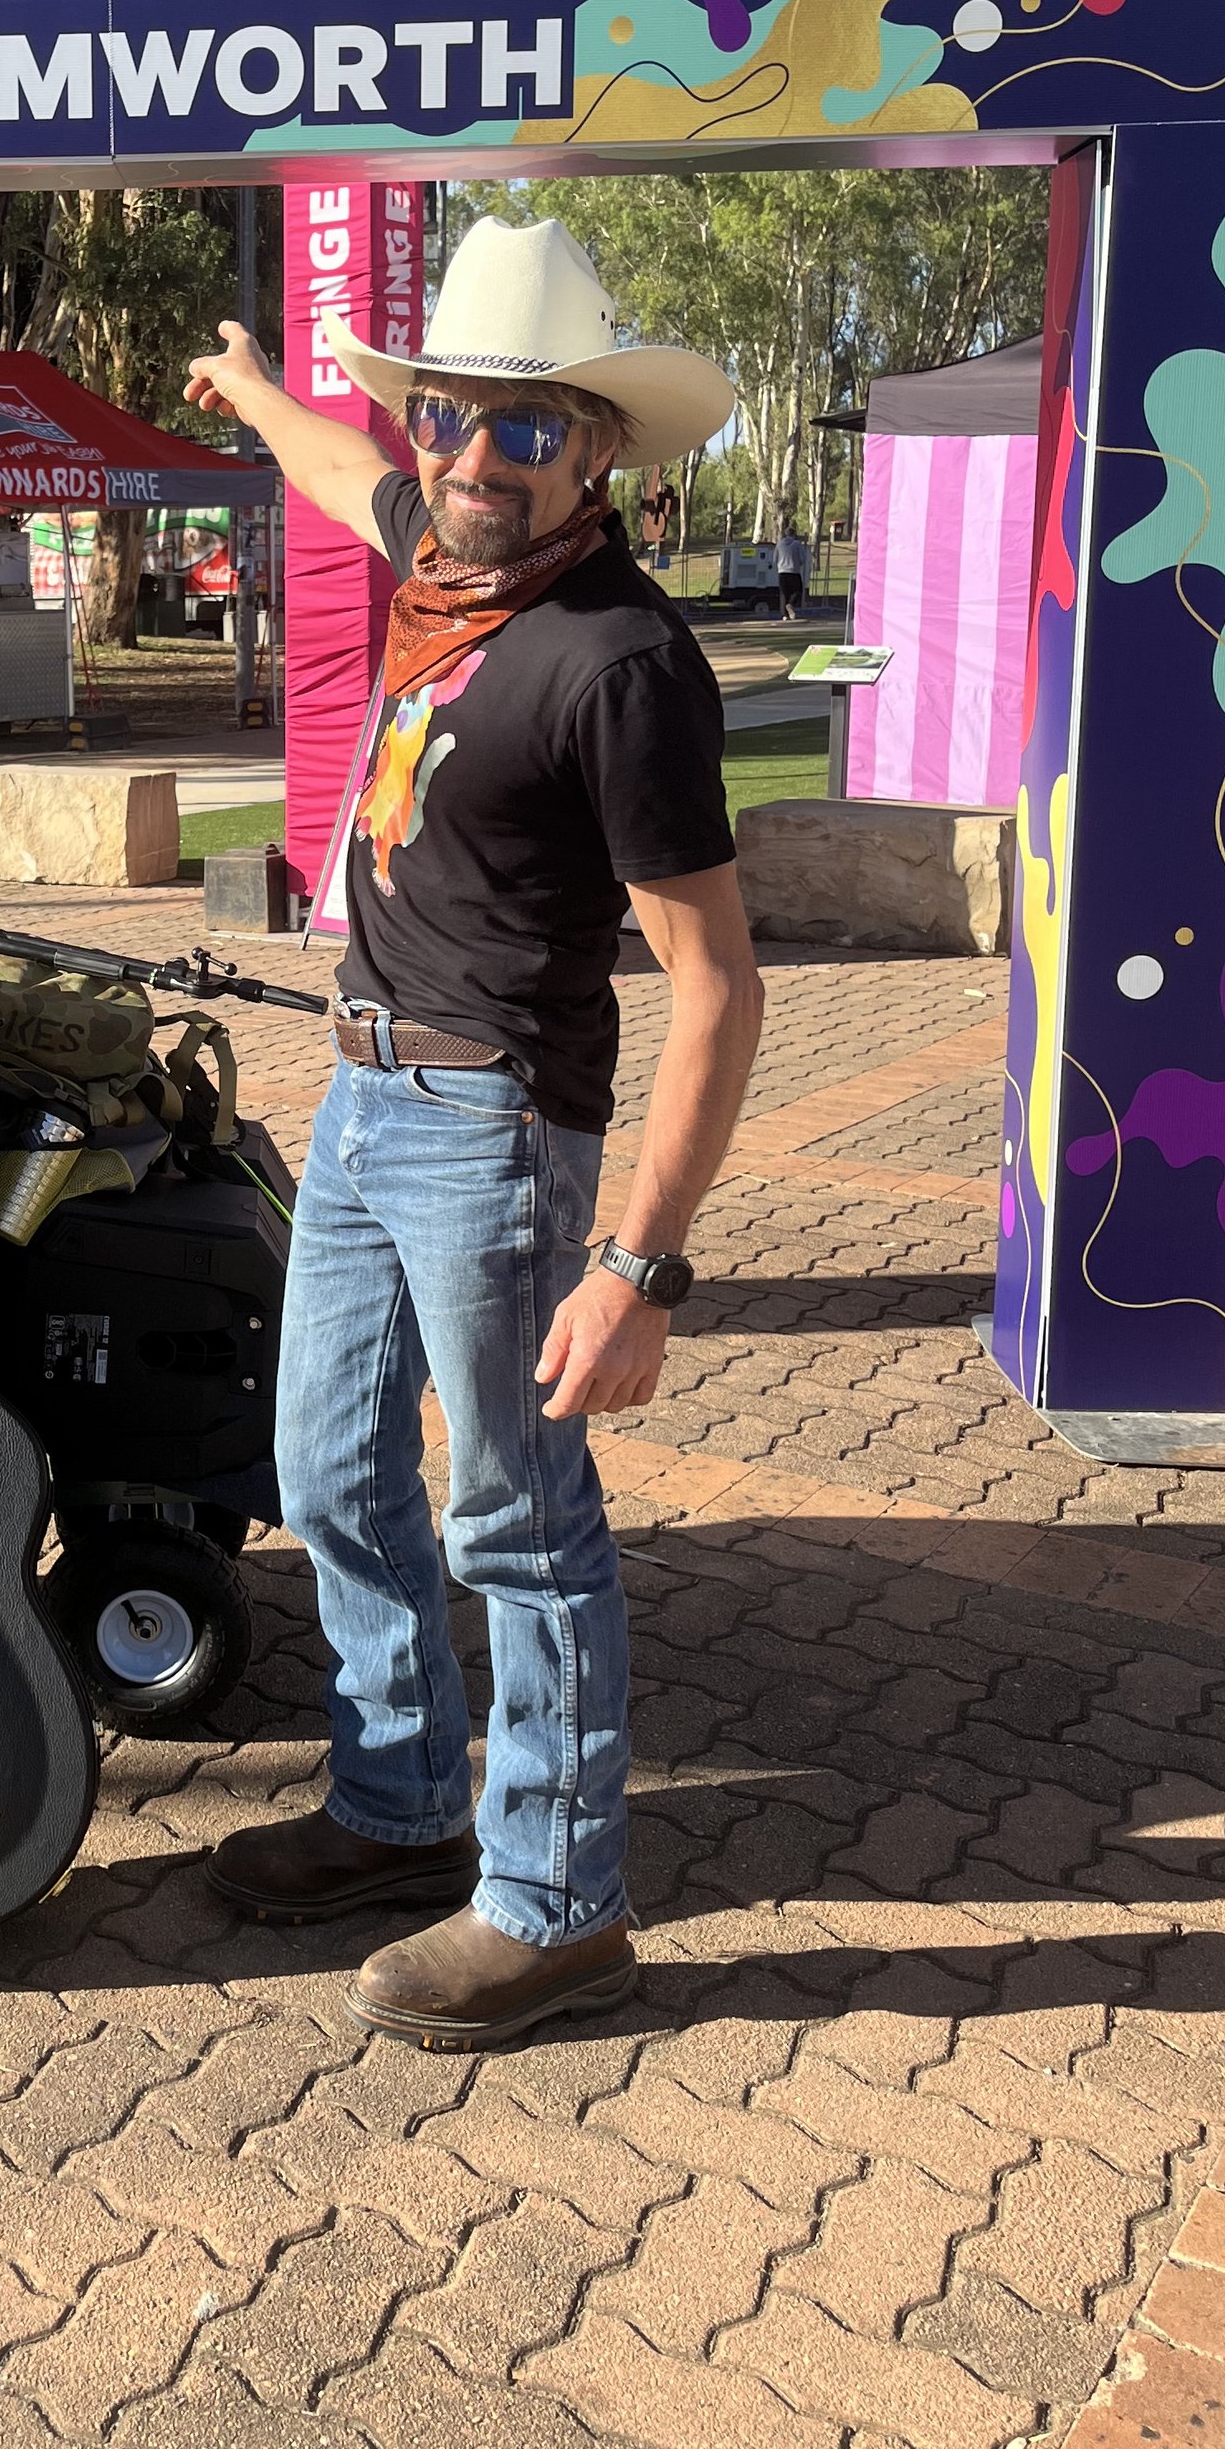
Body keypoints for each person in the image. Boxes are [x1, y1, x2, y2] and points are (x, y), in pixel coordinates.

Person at [183, 216, 764, 2051]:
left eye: (526, 429)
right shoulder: (438, 563)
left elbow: (720, 984)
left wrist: (640, 1265)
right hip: (361, 1098)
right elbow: (341, 464)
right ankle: (399, 1804)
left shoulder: (617, 660)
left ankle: (559, 1903)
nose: (471, 455)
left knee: (517, 1519)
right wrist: (262, 387)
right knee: (331, 1472)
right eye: (453, 415)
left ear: (597, 450)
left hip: (495, 1126)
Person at [775, 509, 810, 621]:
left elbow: (774, 558)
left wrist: (779, 565)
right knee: (797, 591)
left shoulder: (779, 544)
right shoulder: (797, 544)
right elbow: (802, 558)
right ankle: (791, 604)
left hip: (782, 571)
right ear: (794, 534)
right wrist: (798, 564)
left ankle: (785, 615)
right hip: (794, 571)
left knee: (784, 593)